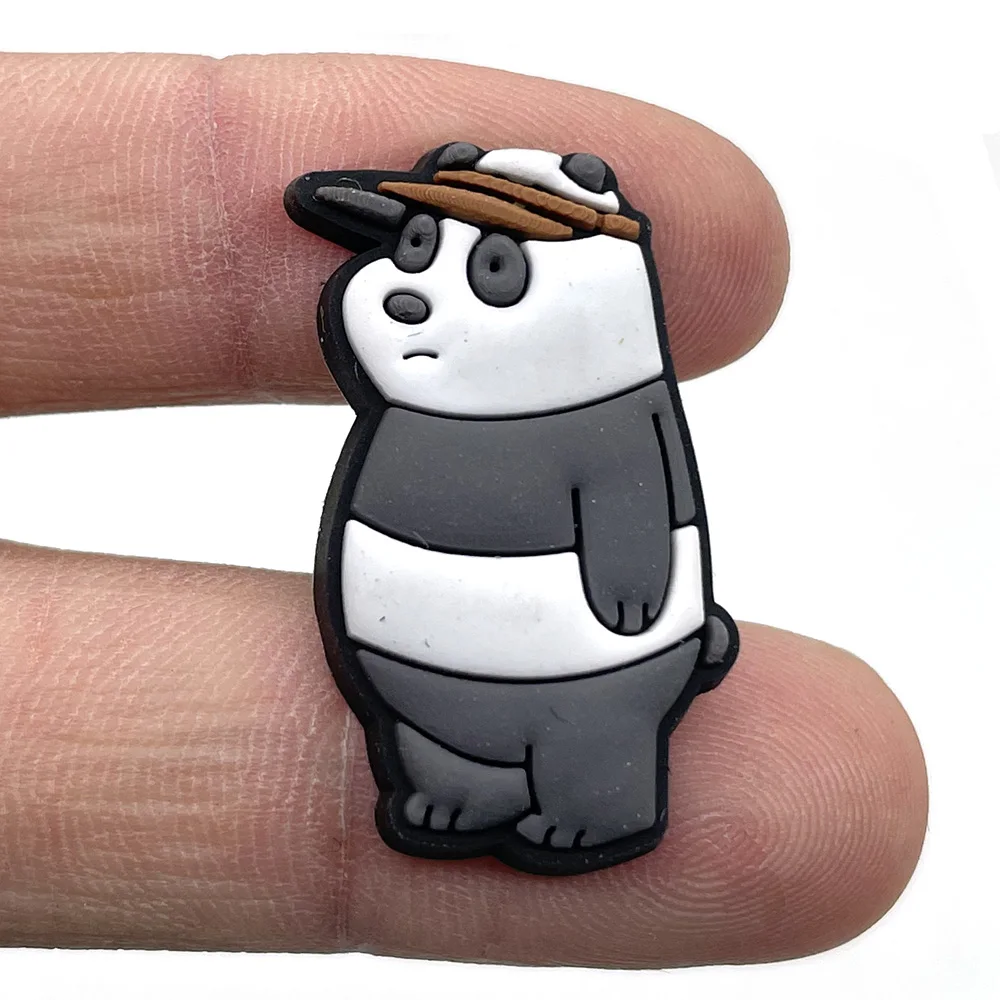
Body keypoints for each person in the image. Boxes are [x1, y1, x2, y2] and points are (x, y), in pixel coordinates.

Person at [0, 52, 927, 965]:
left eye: (491, 269)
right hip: (410, 673)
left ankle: (604, 801)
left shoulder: (608, 410)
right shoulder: (412, 409)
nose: (413, 296)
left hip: (584, 668)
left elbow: (633, 506)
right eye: (415, 248)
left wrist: (634, 580)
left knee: (588, 747)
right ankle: (460, 784)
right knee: (433, 761)